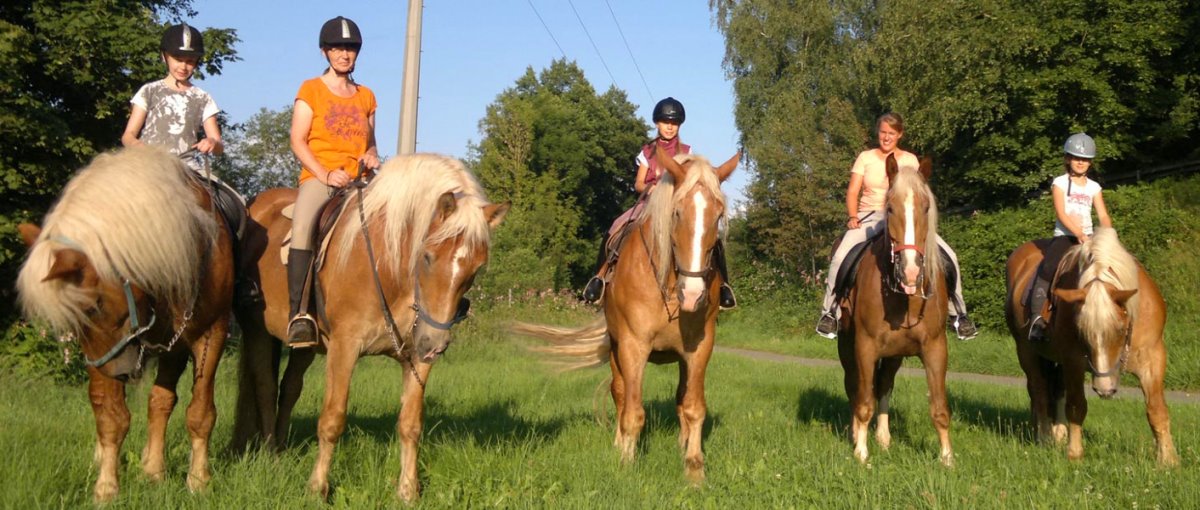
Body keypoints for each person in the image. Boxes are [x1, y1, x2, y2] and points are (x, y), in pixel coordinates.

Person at [814, 112, 977, 340]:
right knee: (841, 256)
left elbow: (917, 193)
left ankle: (958, 314)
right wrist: (852, 216)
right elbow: (853, 191)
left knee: (949, 255)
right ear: (877, 133)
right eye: (883, 132)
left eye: (891, 133)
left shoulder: (910, 160)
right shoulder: (866, 157)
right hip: (870, 215)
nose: (886, 137)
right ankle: (830, 312)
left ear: (899, 134)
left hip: (905, 218)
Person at [581, 97, 736, 309]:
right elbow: (638, 183)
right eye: (665, 122)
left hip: (677, 205)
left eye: (674, 123)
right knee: (616, 226)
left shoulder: (687, 151)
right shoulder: (647, 152)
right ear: (657, 123)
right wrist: (653, 189)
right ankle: (598, 278)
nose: (669, 127)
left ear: (679, 125)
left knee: (710, 237)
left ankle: (723, 286)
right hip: (650, 203)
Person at [286, 16, 381, 347]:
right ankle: (299, 315)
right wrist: (325, 173)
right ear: (325, 51)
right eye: (339, 48)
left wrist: (371, 156)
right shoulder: (310, 89)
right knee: (302, 228)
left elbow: (371, 143)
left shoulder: (366, 96)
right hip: (321, 178)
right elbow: (297, 140)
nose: (345, 54)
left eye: (351, 48)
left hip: (359, 181)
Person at [1026, 133, 1112, 341]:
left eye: (1085, 159)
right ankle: (1037, 318)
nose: (1080, 162)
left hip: (1090, 237)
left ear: (1090, 162)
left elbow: (1103, 215)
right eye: (1076, 158)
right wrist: (1079, 234)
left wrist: (1108, 234)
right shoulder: (1060, 183)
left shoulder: (1094, 187)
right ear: (1067, 159)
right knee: (1048, 267)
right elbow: (1061, 213)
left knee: (1110, 269)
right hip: (1065, 236)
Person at [121, 23, 223, 165]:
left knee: (218, 188)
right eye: (178, 60)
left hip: (186, 166)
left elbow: (218, 146)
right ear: (164, 57)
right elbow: (128, 135)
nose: (183, 66)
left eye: (190, 62)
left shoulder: (203, 98)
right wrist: (139, 147)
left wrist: (212, 142)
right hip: (146, 163)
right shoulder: (149, 91)